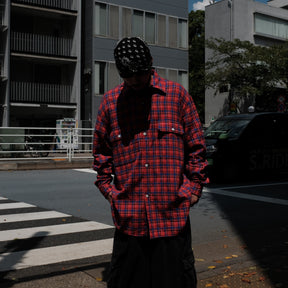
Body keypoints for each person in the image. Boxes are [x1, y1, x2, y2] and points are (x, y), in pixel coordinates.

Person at [93, 37, 208, 288]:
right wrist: (109, 191)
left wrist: (193, 190)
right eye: (127, 76)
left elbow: (197, 148)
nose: (134, 80)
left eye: (140, 74)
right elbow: (101, 154)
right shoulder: (111, 103)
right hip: (129, 220)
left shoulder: (177, 96)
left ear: (151, 64)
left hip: (171, 217)